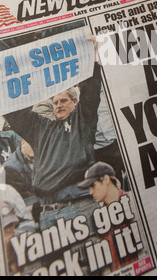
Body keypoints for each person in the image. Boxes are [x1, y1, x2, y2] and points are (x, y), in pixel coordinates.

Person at [3, 40, 101, 232]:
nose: (58, 105)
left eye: (63, 100)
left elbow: (91, 91)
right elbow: (14, 112)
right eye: (55, 102)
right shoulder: (41, 128)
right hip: (47, 214)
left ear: (75, 102)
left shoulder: (82, 122)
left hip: (80, 207)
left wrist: (93, 57)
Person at [78, 161, 140, 272]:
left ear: (106, 179)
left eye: (93, 185)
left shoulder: (133, 201)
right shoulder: (98, 219)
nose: (90, 192)